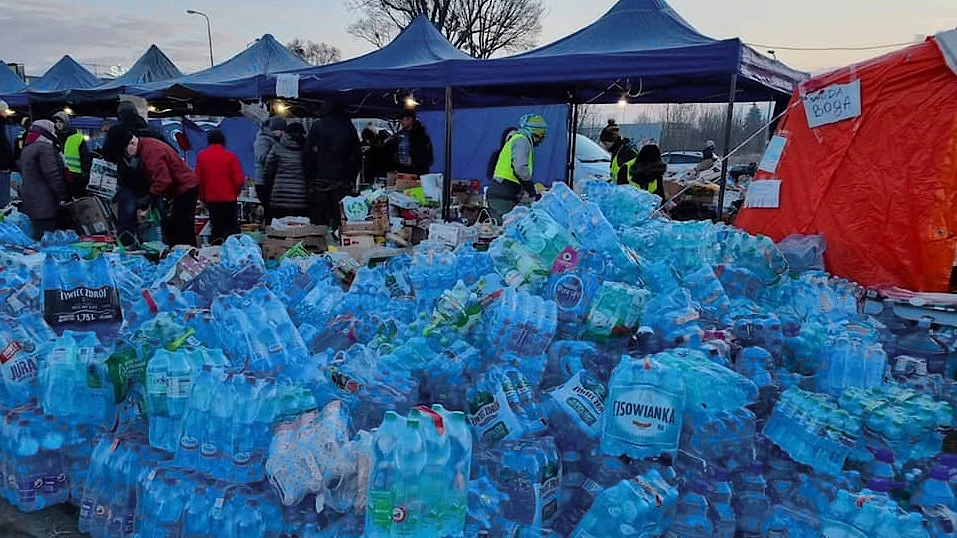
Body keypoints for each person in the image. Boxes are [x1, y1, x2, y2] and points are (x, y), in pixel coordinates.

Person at [103, 126, 199, 247]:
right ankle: (181, 250)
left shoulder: (151, 152)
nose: (127, 156)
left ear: (132, 143)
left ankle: (185, 252)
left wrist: (149, 197)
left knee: (181, 226)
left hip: (185, 188)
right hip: (181, 188)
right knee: (176, 225)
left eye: (125, 151)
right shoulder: (146, 145)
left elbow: (163, 180)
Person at [104, 101, 169, 247]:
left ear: (119, 115)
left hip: (129, 183)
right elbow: (168, 151)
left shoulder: (117, 131)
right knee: (160, 219)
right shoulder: (151, 130)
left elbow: (107, 154)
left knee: (126, 223)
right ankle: (162, 248)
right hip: (152, 183)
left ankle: (128, 252)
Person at [304, 100, 361, 229]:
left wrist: (309, 176)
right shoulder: (347, 126)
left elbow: (307, 153)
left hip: (318, 178)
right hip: (341, 179)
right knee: (339, 218)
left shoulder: (317, 126)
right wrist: (351, 177)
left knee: (318, 220)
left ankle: (317, 243)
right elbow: (357, 155)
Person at [487, 114, 547, 221]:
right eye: (540, 136)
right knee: (504, 231)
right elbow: (519, 168)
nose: (540, 141)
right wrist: (530, 187)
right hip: (503, 194)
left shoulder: (520, 140)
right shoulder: (522, 141)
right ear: (534, 132)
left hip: (505, 192)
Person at [19, 120, 69, 240]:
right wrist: (62, 195)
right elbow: (52, 173)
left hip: (30, 198)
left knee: (36, 236)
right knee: (46, 239)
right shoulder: (44, 148)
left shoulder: (28, 147)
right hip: (45, 199)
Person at [196, 129, 244, 244]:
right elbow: (239, 179)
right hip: (229, 200)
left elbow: (198, 180)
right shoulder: (230, 156)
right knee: (233, 231)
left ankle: (216, 253)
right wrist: (235, 193)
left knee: (216, 231)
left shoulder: (202, 156)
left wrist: (202, 197)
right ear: (223, 141)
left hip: (212, 200)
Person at [264, 122, 309, 221]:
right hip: (301, 198)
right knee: (300, 230)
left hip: (279, 197)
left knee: (279, 229)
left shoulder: (277, 148)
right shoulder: (306, 149)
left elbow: (268, 170)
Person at [53, 111, 92, 197]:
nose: (58, 124)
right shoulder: (54, 138)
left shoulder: (77, 137)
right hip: (59, 175)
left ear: (66, 123)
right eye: (56, 122)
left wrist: (85, 175)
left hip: (75, 177)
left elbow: (85, 158)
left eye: (60, 122)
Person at [254, 116, 286, 220]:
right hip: (264, 182)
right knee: (270, 211)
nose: (282, 133)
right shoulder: (263, 140)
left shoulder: (273, 140)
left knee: (273, 212)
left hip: (269, 181)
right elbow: (264, 158)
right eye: (280, 130)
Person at [390, 110, 433, 176]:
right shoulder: (400, 134)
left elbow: (427, 154)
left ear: (410, 119)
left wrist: (415, 163)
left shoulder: (421, 135)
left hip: (416, 171)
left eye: (402, 119)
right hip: (402, 169)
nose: (401, 121)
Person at [0, 101, 14, 207]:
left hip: (3, 164)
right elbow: (5, 146)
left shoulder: (5, 124)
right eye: (5, 110)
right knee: (3, 199)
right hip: (3, 165)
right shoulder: (2, 125)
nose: (6, 113)